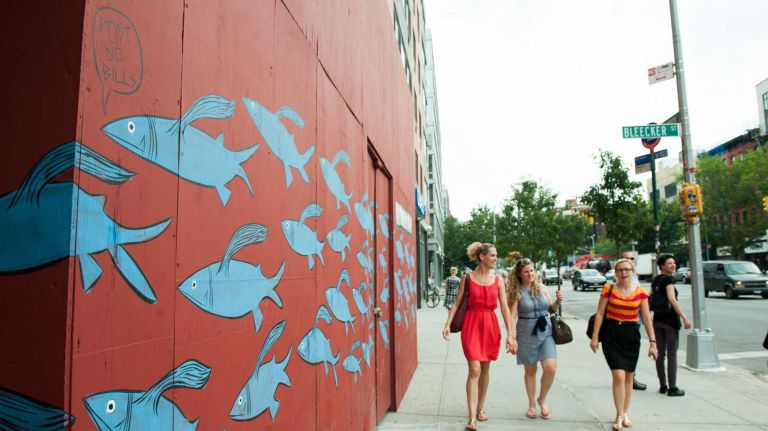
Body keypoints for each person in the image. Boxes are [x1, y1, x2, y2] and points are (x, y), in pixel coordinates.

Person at [443, 242, 514, 431]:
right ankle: (472, 417)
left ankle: (481, 407)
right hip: (471, 325)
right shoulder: (467, 278)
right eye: (493, 255)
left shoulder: (498, 280)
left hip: (490, 326)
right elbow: (457, 303)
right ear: (482, 257)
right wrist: (447, 324)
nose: (495, 258)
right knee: (474, 369)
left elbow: (505, 308)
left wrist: (511, 334)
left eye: (496, 255)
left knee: (484, 368)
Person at [590, 258, 658, 431]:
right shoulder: (609, 289)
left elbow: (647, 319)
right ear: (615, 272)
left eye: (626, 269)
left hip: (631, 335)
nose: (623, 272)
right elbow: (599, 313)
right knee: (618, 375)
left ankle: (623, 413)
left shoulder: (641, 292)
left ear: (632, 271)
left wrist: (652, 342)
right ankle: (620, 416)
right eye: (619, 270)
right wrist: (595, 337)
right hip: (611, 333)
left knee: (628, 376)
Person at [507, 258, 563, 420]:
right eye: (526, 271)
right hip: (526, 332)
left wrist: (558, 302)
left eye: (532, 270)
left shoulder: (542, 287)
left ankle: (542, 399)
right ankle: (532, 404)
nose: (530, 274)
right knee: (530, 370)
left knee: (550, 367)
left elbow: (551, 308)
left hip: (545, 331)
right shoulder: (516, 292)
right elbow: (512, 316)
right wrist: (511, 337)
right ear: (520, 274)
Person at [651, 253, 692, 396]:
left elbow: (652, 298)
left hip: (657, 320)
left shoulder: (655, 280)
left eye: (674, 263)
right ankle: (673, 388)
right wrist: (685, 318)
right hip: (669, 321)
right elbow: (672, 300)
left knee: (660, 354)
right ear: (662, 265)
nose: (673, 265)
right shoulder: (669, 279)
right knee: (672, 355)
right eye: (669, 263)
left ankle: (663, 385)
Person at [620, 250, 648, 392]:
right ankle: (629, 377)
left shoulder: (635, 277)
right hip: (627, 321)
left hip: (636, 320)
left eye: (631, 258)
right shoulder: (622, 279)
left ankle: (630, 376)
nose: (630, 260)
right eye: (626, 258)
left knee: (632, 350)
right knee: (629, 351)